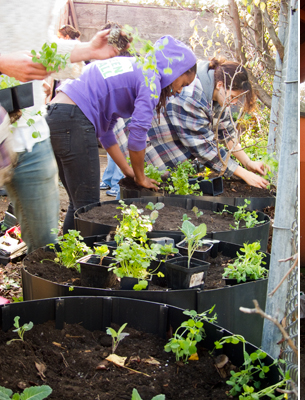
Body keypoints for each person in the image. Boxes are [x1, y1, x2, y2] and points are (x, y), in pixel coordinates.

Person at [0, 1, 127, 251]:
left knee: (45, 247)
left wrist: (87, 49)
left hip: (31, 132)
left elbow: (41, 46)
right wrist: (2, 62)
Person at [46, 35, 197, 232]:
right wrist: (141, 177)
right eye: (183, 84)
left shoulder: (136, 66)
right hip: (73, 119)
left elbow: (106, 132)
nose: (179, 91)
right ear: (175, 70)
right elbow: (137, 134)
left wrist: (128, 170)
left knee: (79, 204)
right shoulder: (151, 78)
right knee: (89, 208)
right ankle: (80, 259)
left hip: (56, 115)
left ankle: (65, 258)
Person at [113, 57, 269, 188]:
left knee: (175, 181)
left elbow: (227, 132)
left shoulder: (217, 94)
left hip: (167, 128)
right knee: (156, 181)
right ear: (221, 85)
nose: (235, 102)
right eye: (234, 96)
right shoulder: (191, 96)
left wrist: (248, 163)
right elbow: (204, 149)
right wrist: (244, 174)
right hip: (143, 129)